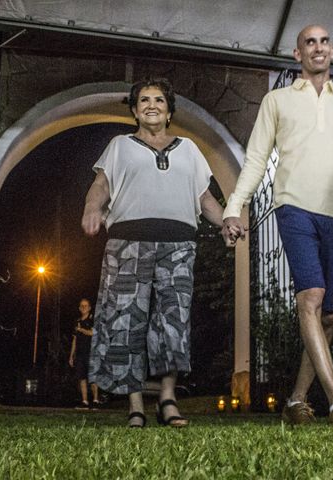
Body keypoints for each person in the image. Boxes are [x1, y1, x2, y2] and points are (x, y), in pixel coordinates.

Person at [222, 25, 333, 424]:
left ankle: (295, 401)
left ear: (332, 51)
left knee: (330, 316)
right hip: (294, 207)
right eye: (309, 42)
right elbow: (255, 159)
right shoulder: (277, 101)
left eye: (323, 41)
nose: (317, 47)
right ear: (297, 54)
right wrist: (235, 206)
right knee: (311, 297)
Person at [81, 77, 226, 428]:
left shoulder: (190, 149)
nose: (151, 105)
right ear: (134, 110)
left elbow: (205, 199)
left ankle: (168, 400)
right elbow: (101, 184)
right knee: (126, 321)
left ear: (169, 109)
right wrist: (92, 208)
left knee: (172, 322)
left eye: (159, 100)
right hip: (127, 242)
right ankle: (134, 405)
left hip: (178, 245)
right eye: (144, 100)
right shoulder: (120, 145)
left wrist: (227, 222)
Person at [68, 298, 100, 409]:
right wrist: (71, 355)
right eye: (81, 306)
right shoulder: (77, 321)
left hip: (91, 352)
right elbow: (74, 340)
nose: (83, 307)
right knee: (82, 377)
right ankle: (85, 401)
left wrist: (82, 330)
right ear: (79, 308)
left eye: (86, 306)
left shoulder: (92, 320)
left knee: (92, 377)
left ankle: (95, 400)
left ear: (90, 308)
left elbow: (93, 333)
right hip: (80, 354)